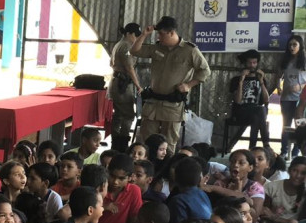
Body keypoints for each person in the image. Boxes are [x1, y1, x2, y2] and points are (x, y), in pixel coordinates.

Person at [132, 16, 211, 150]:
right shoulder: (157, 47)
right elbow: (134, 51)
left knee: (168, 144)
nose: (159, 37)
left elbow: (205, 71)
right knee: (147, 141)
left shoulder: (189, 50)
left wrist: (188, 85)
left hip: (172, 104)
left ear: (171, 33)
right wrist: (144, 34)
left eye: (162, 34)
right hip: (153, 103)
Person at [109, 22, 143, 152]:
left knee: (118, 115)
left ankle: (115, 143)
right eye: (135, 35)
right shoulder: (127, 46)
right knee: (128, 115)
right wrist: (138, 85)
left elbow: (111, 63)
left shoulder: (118, 44)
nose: (136, 38)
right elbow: (129, 67)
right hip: (123, 84)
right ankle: (122, 144)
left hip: (116, 82)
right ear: (129, 33)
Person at [229, 49, 270, 150]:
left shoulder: (261, 79)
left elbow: (266, 100)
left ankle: (252, 147)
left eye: (254, 63)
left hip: (256, 113)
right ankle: (266, 144)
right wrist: (241, 81)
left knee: (257, 116)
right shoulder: (236, 80)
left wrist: (261, 82)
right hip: (241, 112)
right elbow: (238, 101)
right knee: (260, 111)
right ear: (245, 63)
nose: (252, 65)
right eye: (249, 62)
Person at [277, 35, 306, 159]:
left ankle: (295, 153)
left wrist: (300, 87)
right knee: (286, 125)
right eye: (290, 45)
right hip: (287, 98)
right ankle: (284, 151)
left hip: (301, 98)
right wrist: (278, 87)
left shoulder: (304, 60)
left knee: (300, 126)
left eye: (294, 45)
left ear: (300, 46)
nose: (292, 47)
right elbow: (278, 75)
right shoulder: (285, 60)